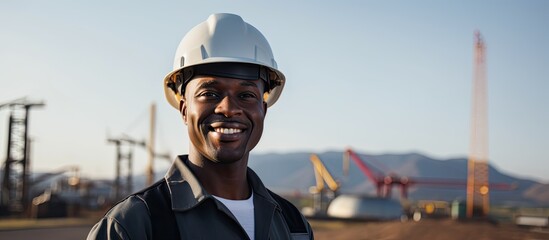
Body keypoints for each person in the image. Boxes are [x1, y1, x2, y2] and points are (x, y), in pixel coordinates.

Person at [87, 13, 314, 240]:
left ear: (263, 109)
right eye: (210, 94)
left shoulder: (294, 226)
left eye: (246, 95)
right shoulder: (132, 226)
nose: (228, 108)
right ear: (184, 109)